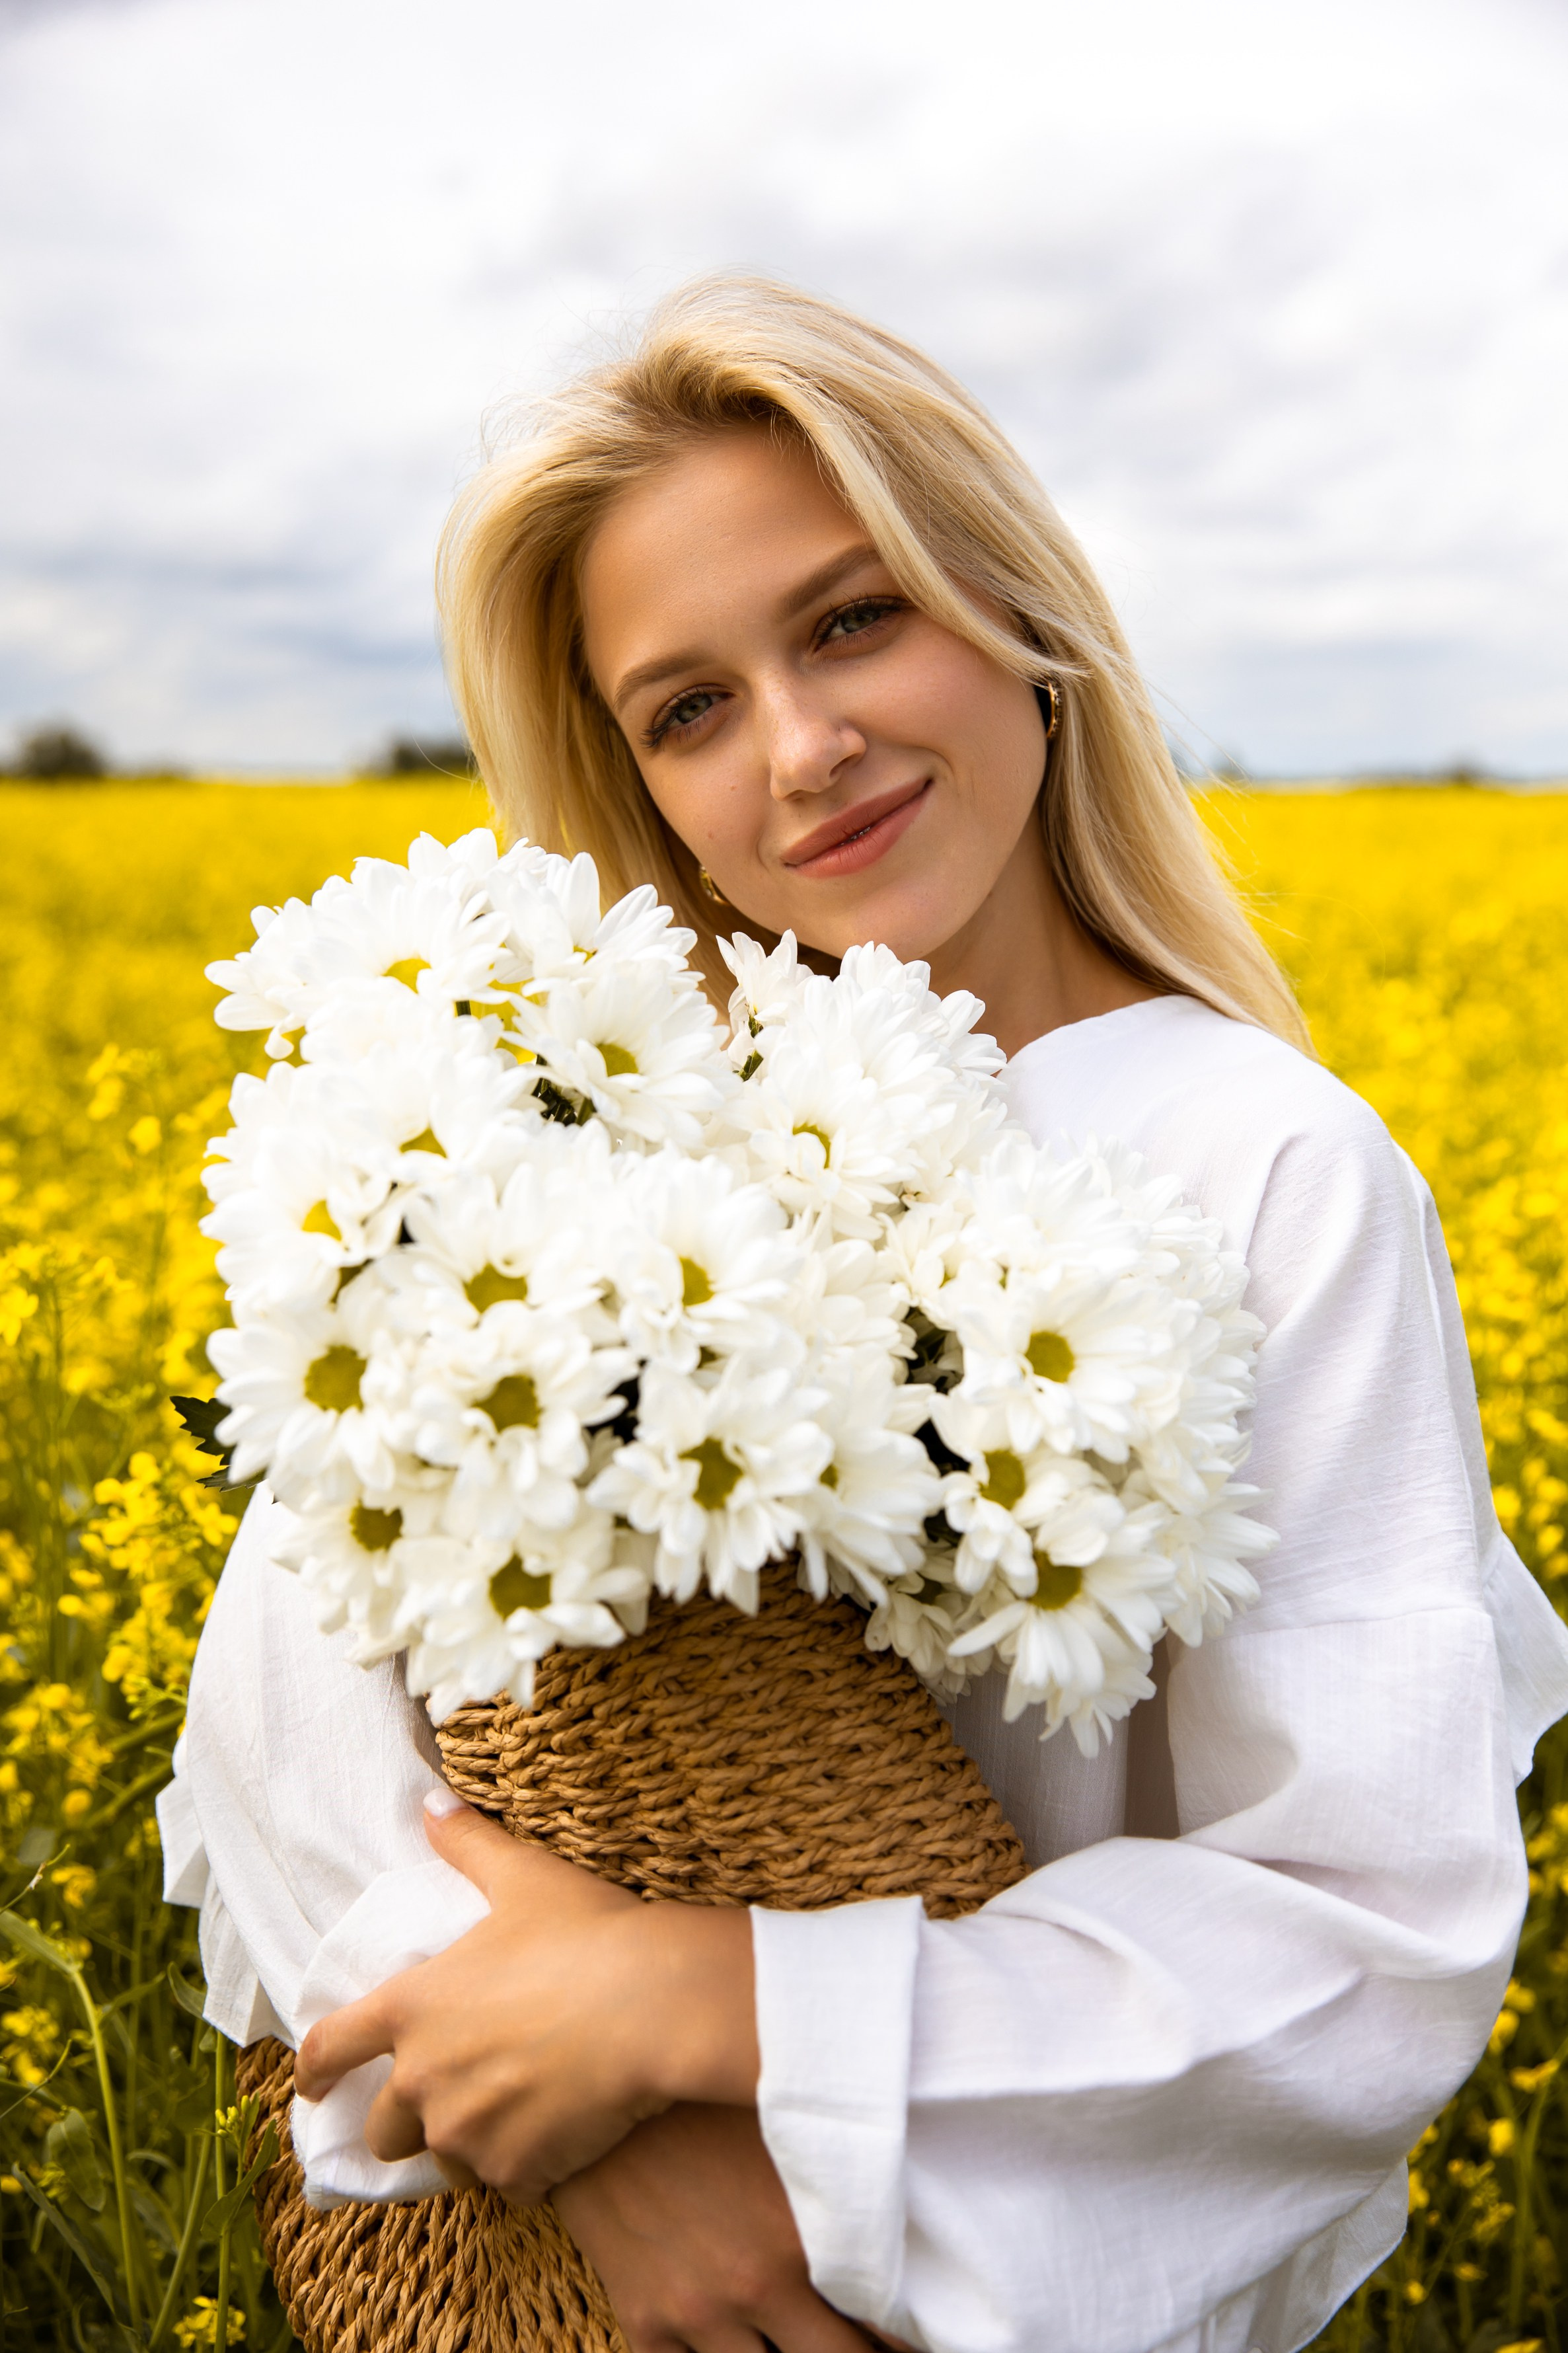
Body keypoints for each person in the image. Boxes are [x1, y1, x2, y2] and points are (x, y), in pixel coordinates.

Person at [157, 276, 1568, 2353]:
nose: (803, 751)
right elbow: (282, 1713)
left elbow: (1364, 1939)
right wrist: (593, 2141)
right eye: (688, 709)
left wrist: (729, 2021)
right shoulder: (599, 1123)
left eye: (850, 619)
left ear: (1019, 610)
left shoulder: (1278, 1167)